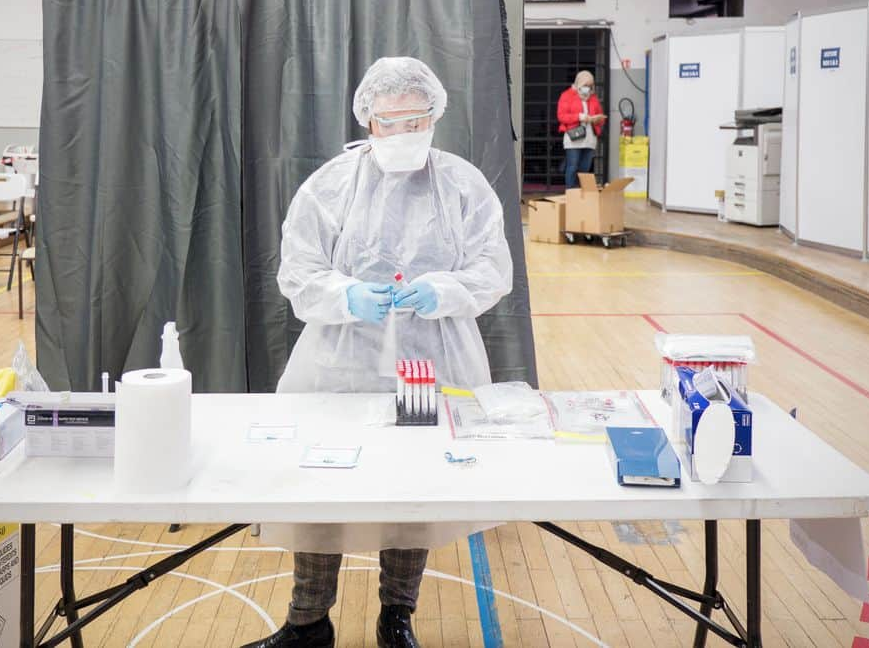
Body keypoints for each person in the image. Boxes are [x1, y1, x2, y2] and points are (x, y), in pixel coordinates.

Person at [243, 58, 513, 648]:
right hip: (339, 363)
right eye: (392, 122)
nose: (404, 133)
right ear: (368, 120)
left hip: (432, 360)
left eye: (417, 120)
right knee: (321, 486)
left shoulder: (462, 184)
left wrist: (441, 290)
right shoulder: (331, 185)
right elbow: (299, 271)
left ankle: (398, 618)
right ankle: (307, 622)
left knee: (411, 489)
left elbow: (493, 270)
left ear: (436, 116)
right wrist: (346, 295)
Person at [557, 70, 606, 189]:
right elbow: (561, 116)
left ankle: (581, 194)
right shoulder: (567, 95)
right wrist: (579, 117)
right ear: (579, 83)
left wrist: (596, 119)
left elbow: (600, 115)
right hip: (574, 138)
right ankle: (570, 192)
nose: (587, 88)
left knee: (585, 168)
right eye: (585, 85)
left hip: (589, 138)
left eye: (590, 86)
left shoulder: (593, 98)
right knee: (572, 167)